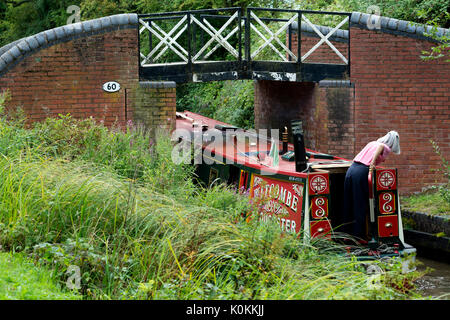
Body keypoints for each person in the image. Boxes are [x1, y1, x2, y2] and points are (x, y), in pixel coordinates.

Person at [343, 131, 401, 241]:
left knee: (349, 203)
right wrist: (372, 164)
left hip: (351, 170)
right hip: (361, 172)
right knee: (360, 205)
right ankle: (359, 237)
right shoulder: (384, 147)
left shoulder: (371, 143)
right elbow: (380, 148)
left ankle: (346, 235)